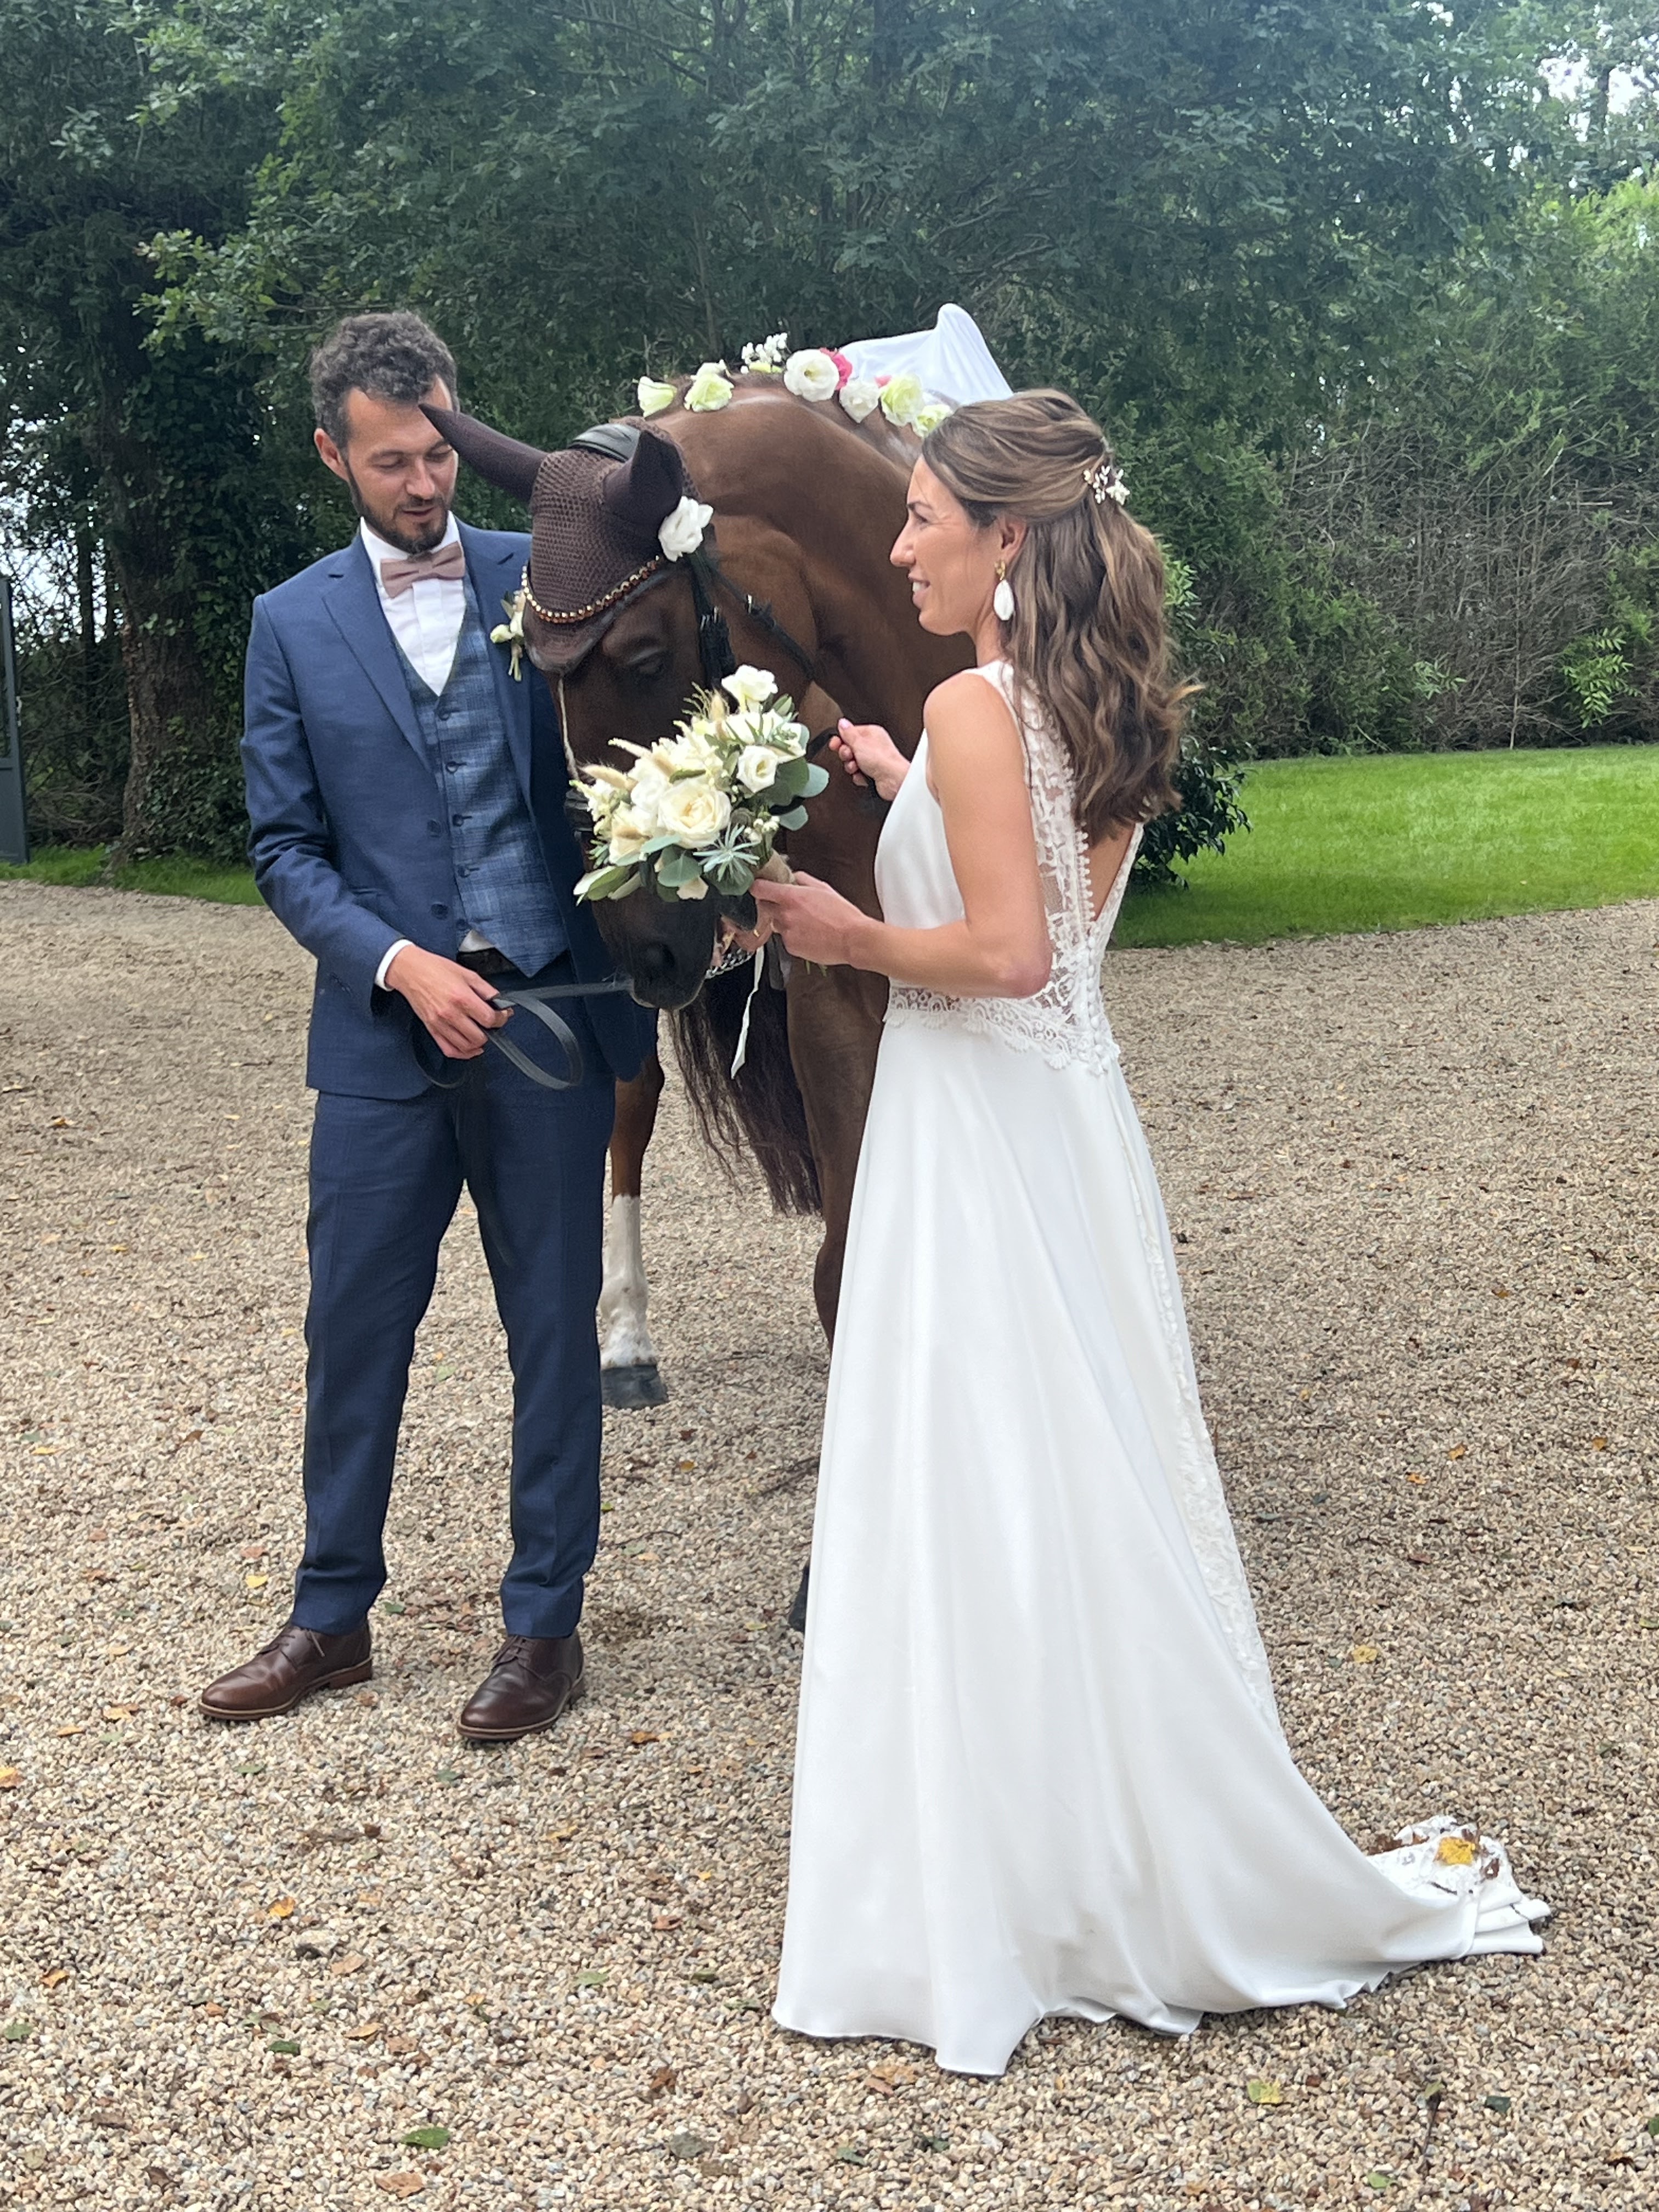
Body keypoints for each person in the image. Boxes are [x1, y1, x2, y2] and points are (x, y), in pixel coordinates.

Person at [752, 390, 1547, 2077]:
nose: (899, 545)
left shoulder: (980, 703)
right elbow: (1035, 867)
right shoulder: (1070, 700)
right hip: (1059, 1127)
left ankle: (1006, 1873)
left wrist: (840, 928)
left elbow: (1007, 956)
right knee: (1065, 1466)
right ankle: (1083, 1836)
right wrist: (897, 778)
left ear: (1007, 539)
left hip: (977, 1129)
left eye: (922, 519)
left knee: (989, 1470)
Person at [200, 312, 651, 1740]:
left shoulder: (544, 578)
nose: (425, 481)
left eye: (440, 451)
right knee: (354, 1332)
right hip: (379, 1047)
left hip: (547, 1024)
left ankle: (544, 1629)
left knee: (554, 1338)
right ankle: (330, 1617)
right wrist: (400, 965)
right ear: (332, 453)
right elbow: (284, 849)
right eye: (392, 459)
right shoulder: (291, 623)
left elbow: (637, 754)